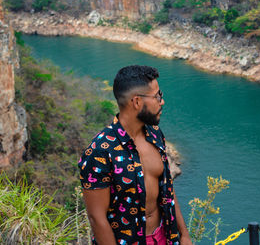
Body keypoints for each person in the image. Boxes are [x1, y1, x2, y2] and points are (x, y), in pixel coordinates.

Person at [78, 65, 192, 245]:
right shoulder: (100, 151)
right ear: (137, 102)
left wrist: (184, 235)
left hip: (164, 237)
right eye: (157, 96)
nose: (162, 102)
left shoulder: (155, 134)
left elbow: (168, 188)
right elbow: (97, 218)